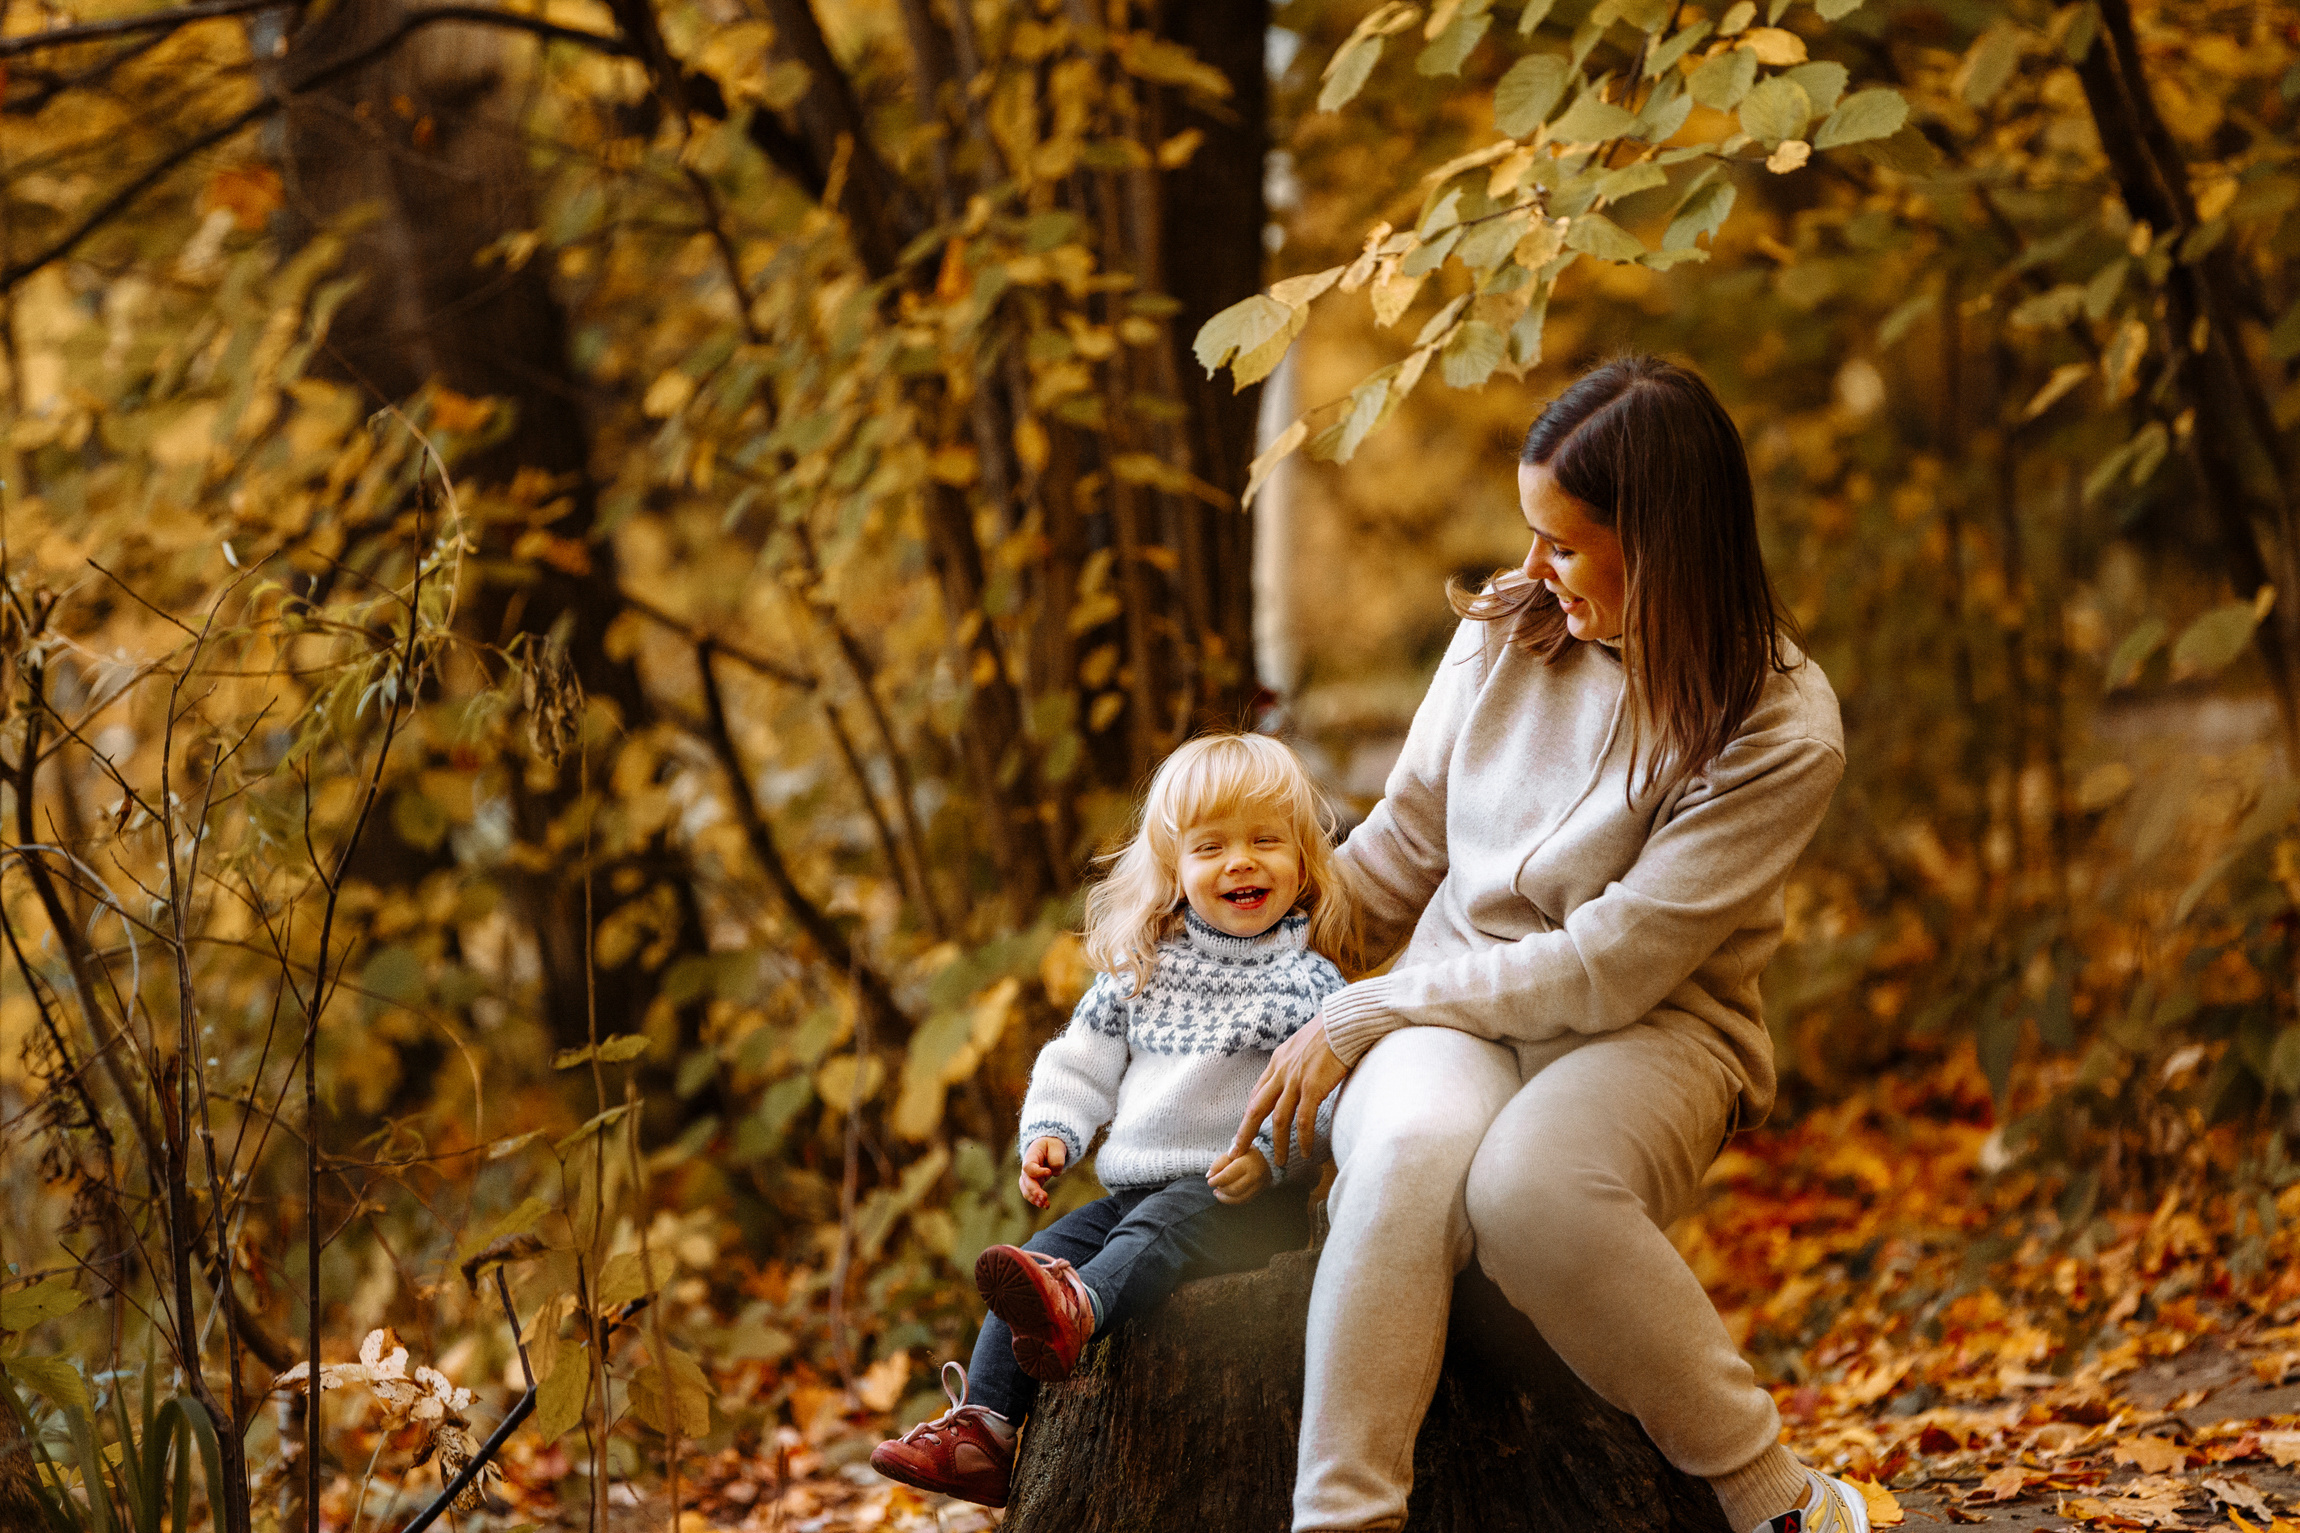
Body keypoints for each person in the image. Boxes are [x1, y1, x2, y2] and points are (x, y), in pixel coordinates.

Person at [1234, 356, 1867, 1533]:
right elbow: (1399, 846)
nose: (1531, 570)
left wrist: (1372, 1010)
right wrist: (1252, 958)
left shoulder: (1776, 726)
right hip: (1449, 1005)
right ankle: (1341, 1523)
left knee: (1532, 1193)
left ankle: (1774, 1501)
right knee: (1416, 1143)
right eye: (1530, 536)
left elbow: (1613, 961)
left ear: (1664, 545)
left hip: (1658, 1030)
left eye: (1563, 545)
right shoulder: (1503, 636)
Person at [871, 732, 1357, 1509]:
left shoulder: (1304, 982)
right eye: (1212, 846)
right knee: (1039, 1256)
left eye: (1266, 839)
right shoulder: (1144, 966)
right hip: (1134, 1190)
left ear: (1302, 860)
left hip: (1239, 1203)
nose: (1241, 860)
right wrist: (1053, 1132)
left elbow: (1329, 1096)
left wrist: (1269, 1155)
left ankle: (1085, 1306)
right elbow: (1081, 1060)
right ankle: (985, 1429)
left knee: (1153, 1228)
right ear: (1174, 869)